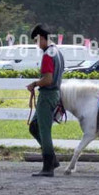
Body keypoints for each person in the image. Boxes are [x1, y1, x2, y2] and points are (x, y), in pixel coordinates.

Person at [26, 24, 65, 177]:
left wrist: (35, 84)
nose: (37, 44)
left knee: (44, 131)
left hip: (47, 95)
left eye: (36, 41)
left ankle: (48, 166)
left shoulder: (48, 55)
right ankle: (52, 160)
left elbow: (48, 79)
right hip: (55, 94)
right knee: (34, 127)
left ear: (41, 38)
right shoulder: (58, 52)